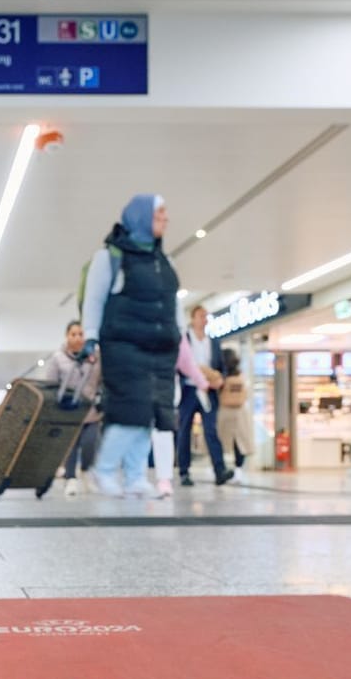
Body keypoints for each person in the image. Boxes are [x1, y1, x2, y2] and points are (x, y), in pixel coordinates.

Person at [82, 196, 182, 499]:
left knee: (151, 414)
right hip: (124, 345)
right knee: (130, 410)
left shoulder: (163, 260)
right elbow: (94, 298)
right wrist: (90, 335)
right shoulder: (110, 257)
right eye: (159, 213)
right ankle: (105, 470)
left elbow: (172, 304)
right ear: (141, 217)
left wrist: (178, 336)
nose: (166, 218)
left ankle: (136, 476)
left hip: (160, 349)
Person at [40, 321, 104, 498]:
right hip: (67, 411)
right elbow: (51, 384)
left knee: (90, 443)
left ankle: (86, 470)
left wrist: (102, 398)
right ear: (67, 336)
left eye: (81, 334)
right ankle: (71, 478)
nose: (77, 338)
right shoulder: (58, 358)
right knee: (70, 446)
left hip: (91, 410)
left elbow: (103, 381)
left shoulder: (96, 357)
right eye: (73, 334)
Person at [175, 305, 232, 488]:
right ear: (193, 318)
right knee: (185, 430)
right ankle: (184, 471)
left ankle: (219, 469)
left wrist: (220, 380)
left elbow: (221, 367)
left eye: (206, 316)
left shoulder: (213, 342)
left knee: (211, 430)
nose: (204, 319)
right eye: (201, 316)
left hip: (209, 391)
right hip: (189, 391)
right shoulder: (185, 339)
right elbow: (180, 364)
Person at [215, 347, 255, 471]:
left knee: (220, 440)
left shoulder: (221, 377)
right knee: (239, 442)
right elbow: (247, 393)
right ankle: (238, 469)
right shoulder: (241, 377)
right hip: (240, 412)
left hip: (223, 412)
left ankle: (220, 468)